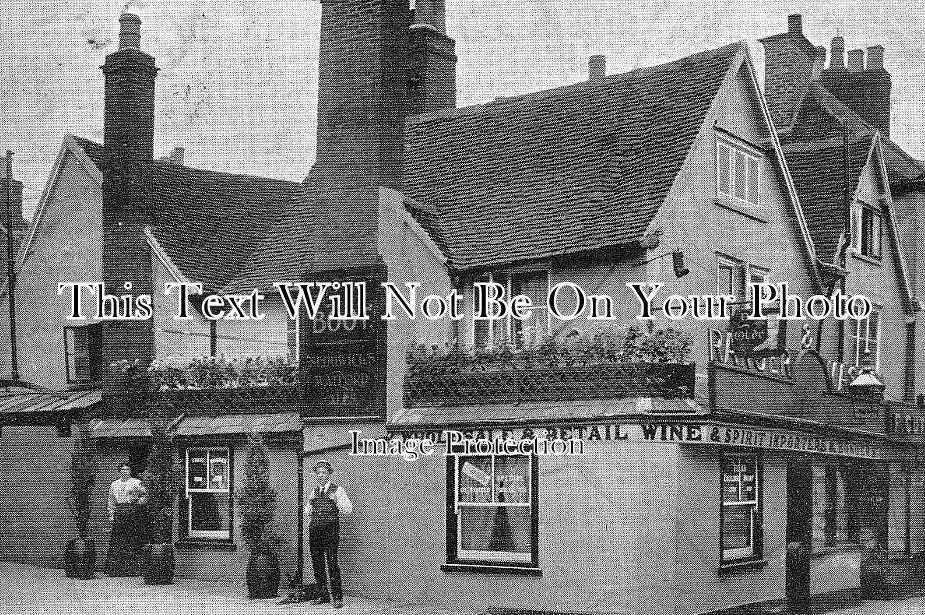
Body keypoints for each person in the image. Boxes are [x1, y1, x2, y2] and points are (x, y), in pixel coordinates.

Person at [306, 460, 352, 608]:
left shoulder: (337, 490)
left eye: (324, 472)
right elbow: (307, 511)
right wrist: (310, 509)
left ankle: (337, 597)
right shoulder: (313, 492)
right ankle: (323, 594)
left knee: (332, 564)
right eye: (318, 473)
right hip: (315, 531)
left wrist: (337, 502)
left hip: (330, 531)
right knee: (317, 564)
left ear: (329, 474)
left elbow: (348, 509)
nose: (320, 475)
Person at [104, 462, 147, 576]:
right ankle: (116, 570)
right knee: (118, 541)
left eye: (127, 469)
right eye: (123, 469)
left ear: (130, 471)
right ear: (120, 471)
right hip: (119, 512)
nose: (125, 471)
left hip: (132, 512)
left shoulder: (136, 482)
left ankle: (133, 570)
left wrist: (138, 502)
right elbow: (111, 501)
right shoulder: (114, 484)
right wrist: (111, 515)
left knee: (132, 539)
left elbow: (145, 496)